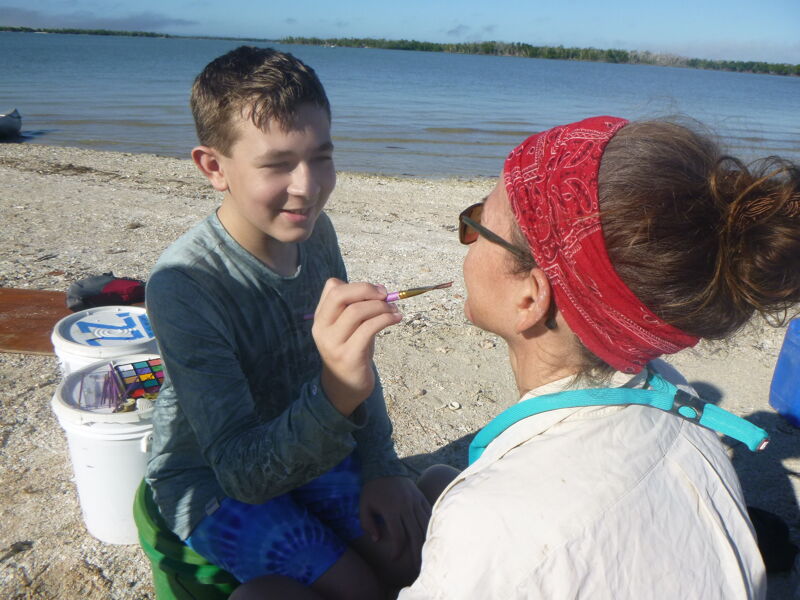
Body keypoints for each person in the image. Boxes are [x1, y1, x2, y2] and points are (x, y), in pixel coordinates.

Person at [400, 116, 800, 599]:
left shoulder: (489, 525)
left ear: (530, 298)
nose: (468, 233)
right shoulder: (677, 399)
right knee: (436, 481)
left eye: (479, 222)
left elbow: (498, 539)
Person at [145, 46, 430, 600]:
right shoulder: (184, 285)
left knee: (410, 561)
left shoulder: (316, 234)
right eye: (277, 164)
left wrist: (381, 464)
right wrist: (338, 386)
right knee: (359, 589)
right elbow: (243, 475)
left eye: (321, 156)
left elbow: (356, 366)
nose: (308, 186)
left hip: (309, 440)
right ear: (213, 167)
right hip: (213, 479)